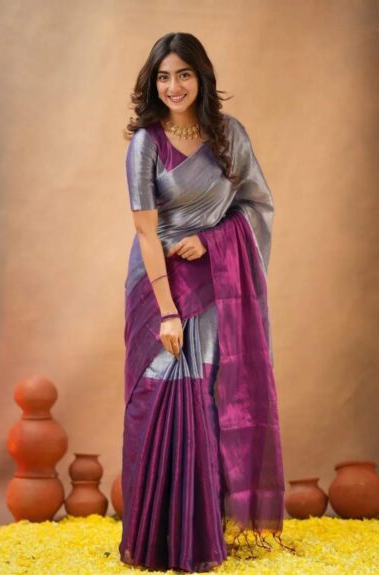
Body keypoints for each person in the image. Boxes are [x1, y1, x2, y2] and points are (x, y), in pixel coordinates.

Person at [119, 32, 296, 573]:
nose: (173, 86)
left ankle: (200, 539)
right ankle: (155, 539)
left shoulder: (228, 135)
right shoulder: (146, 143)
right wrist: (168, 310)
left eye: (184, 74)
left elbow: (256, 206)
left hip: (214, 284)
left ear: (201, 77)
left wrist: (214, 240)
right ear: (153, 83)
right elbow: (146, 232)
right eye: (163, 76)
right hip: (160, 286)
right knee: (158, 400)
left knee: (204, 399)